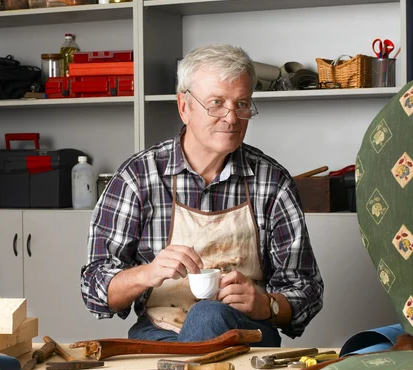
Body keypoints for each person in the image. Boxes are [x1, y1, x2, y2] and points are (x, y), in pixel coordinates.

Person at [81, 44, 323, 346]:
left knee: (209, 315)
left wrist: (266, 305)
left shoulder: (271, 182)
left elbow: (306, 291)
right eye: (217, 103)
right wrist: (148, 273)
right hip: (160, 335)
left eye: (242, 104)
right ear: (184, 106)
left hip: (247, 337)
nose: (232, 118)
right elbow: (94, 288)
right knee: (200, 324)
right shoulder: (139, 177)